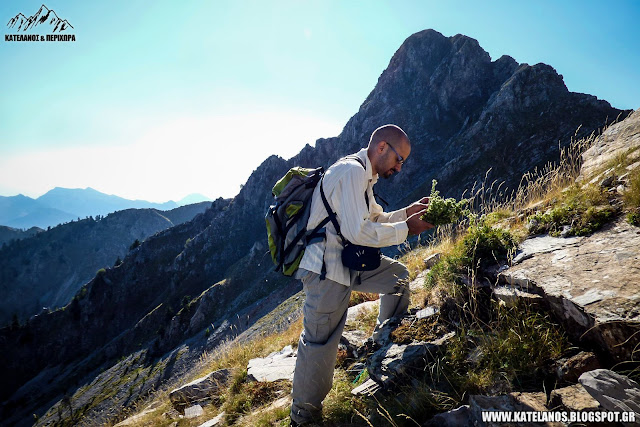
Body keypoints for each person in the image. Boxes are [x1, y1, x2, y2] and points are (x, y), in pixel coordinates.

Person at [290, 124, 434, 425]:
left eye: (403, 161)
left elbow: (375, 217)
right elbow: (358, 230)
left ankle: (383, 339)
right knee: (320, 344)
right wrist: (408, 229)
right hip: (327, 269)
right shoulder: (352, 172)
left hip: (349, 262)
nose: (400, 166)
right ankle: (302, 418)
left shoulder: (365, 177)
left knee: (398, 277)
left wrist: (407, 212)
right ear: (381, 147)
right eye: (399, 158)